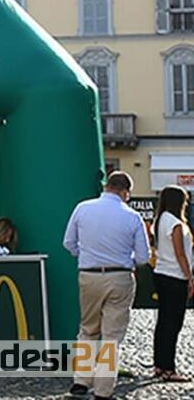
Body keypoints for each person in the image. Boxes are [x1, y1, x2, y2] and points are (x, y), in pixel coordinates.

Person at [61, 171, 151, 400]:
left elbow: (68, 242)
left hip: (89, 275)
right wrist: (125, 260)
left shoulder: (83, 208)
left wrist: (85, 256)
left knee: (88, 329)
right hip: (120, 276)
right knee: (111, 336)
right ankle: (103, 390)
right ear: (124, 191)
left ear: (107, 186)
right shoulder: (132, 216)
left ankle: (81, 381)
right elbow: (143, 257)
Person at [151, 185, 194, 382]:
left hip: (161, 273)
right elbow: (180, 254)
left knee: (163, 323)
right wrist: (189, 277)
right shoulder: (176, 223)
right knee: (173, 324)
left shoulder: (160, 220)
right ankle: (169, 368)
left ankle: (160, 365)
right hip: (175, 276)